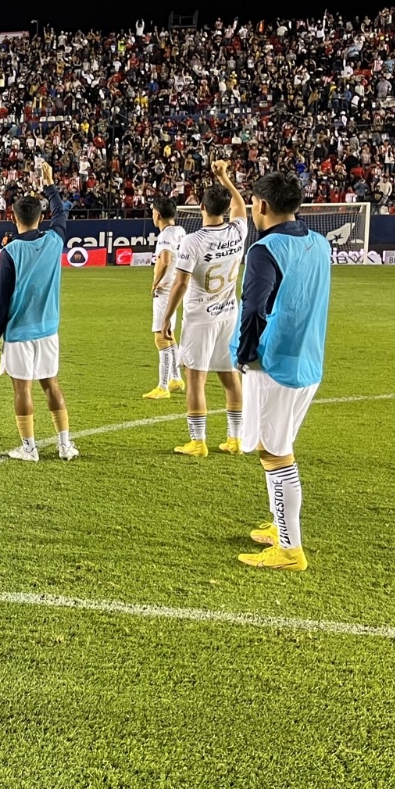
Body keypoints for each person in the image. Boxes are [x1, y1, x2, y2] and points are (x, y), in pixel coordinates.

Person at [233, 172, 330, 571]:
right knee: (278, 444)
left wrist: (244, 354)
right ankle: (279, 525)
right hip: (308, 360)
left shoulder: (264, 249)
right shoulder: (319, 243)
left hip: (275, 364)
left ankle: (290, 547)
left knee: (274, 453)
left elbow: (254, 309)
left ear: (262, 205)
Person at [0, 161, 80, 463]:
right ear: (42, 217)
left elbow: (1, 298)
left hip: (19, 331)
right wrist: (49, 184)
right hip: (48, 328)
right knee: (51, 383)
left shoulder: (10, 252)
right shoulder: (54, 240)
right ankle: (65, 445)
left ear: (14, 217)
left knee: (22, 388)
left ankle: (29, 448)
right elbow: (62, 213)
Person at [161, 160, 249, 456]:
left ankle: (198, 441)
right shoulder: (238, 232)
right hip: (228, 315)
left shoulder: (193, 241)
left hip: (200, 318)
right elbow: (240, 206)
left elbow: (181, 284)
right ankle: (235, 439)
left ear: (201, 207)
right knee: (229, 376)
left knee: (194, 379)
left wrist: (166, 317)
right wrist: (225, 177)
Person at [144, 198, 188, 399]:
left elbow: (165, 259)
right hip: (177, 288)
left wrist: (156, 282)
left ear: (157, 215)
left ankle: (162, 387)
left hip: (165, 290)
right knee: (169, 333)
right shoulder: (180, 231)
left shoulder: (164, 236)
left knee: (160, 336)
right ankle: (176, 378)